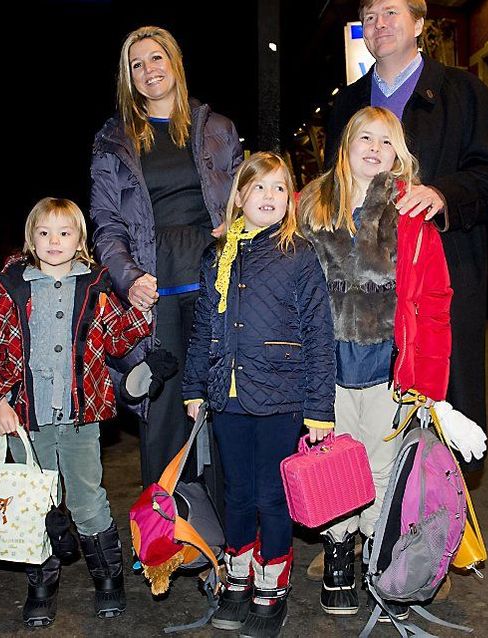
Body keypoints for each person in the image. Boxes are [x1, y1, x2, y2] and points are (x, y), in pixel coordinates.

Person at [325, 0, 488, 474]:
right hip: (358, 300)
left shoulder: (465, 93)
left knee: (438, 413)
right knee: (357, 422)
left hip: (436, 280)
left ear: (419, 24)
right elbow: (329, 189)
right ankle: (356, 529)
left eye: (391, 12)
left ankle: (430, 532)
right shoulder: (346, 105)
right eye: (369, 17)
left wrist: (443, 194)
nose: (379, 25)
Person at [0, 198, 151, 627]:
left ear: (79, 240)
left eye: (65, 233)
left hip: (79, 419)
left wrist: (141, 308)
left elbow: (117, 338)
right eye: (45, 233)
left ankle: (108, 580)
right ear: (31, 239)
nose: (55, 241)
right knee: (36, 504)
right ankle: (42, 585)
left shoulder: (94, 288)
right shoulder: (11, 290)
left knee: (88, 499)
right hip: (26, 424)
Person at [299, 106, 450, 620]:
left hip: (388, 363)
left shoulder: (410, 214)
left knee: (382, 465)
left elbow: (434, 298)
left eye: (386, 143)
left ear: (399, 155)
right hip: (326, 361)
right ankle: (339, 551)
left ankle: (384, 560)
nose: (374, 149)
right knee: (333, 460)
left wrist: (428, 380)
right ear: (345, 147)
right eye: (365, 137)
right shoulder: (310, 207)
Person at [183, 152, 335, 637]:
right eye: (258, 187)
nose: (268, 197)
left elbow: (318, 332)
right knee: (238, 493)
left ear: (290, 199)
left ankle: (273, 585)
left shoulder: (299, 253)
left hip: (281, 396)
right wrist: (193, 388)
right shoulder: (218, 255)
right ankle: (238, 578)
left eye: (279, 188)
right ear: (240, 197)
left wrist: (319, 408)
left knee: (272, 496)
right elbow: (203, 324)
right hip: (227, 397)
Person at [89, 25, 243, 496]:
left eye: (156, 59)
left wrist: (233, 226)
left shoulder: (217, 129)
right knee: (162, 417)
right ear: (128, 77)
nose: (148, 70)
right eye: (137, 64)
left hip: (212, 278)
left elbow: (247, 196)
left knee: (222, 409)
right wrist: (128, 277)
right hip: (153, 290)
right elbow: (106, 222)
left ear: (174, 63)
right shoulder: (114, 140)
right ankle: (164, 541)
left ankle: (226, 540)